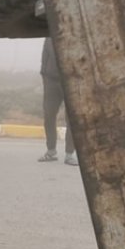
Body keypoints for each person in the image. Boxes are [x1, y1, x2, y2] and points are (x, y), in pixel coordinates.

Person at [39, 37, 77, 165]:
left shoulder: (74, 36)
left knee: (71, 120)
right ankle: (51, 151)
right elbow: (44, 60)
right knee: (49, 115)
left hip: (71, 81)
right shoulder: (49, 38)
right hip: (51, 82)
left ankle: (69, 154)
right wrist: (45, 78)